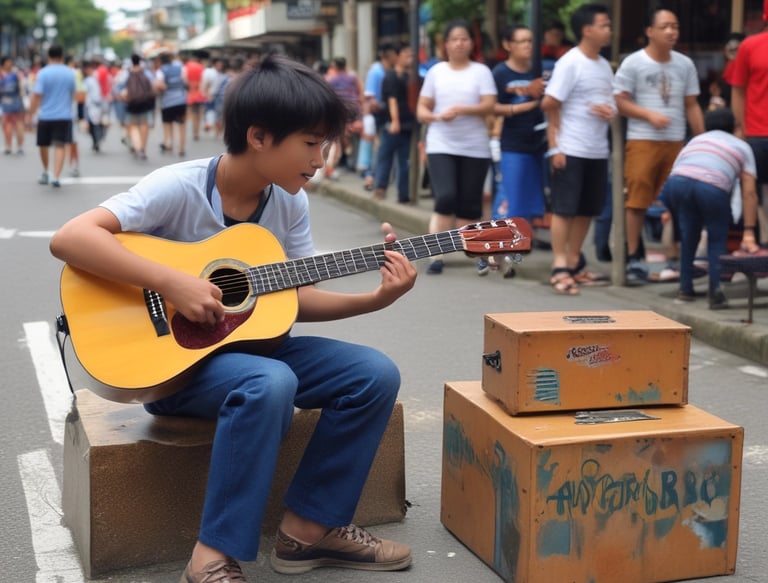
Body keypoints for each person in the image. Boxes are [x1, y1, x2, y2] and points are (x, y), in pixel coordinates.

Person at [48, 53, 415, 583]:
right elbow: (71, 238)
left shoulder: (288, 203)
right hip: (176, 366)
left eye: (326, 145)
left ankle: (308, 531)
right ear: (260, 136)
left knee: (373, 374)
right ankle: (211, 557)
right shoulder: (180, 186)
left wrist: (373, 300)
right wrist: (171, 281)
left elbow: (295, 296)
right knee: (272, 380)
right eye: (311, 144)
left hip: (253, 351)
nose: (321, 159)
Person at [613, 7, 704, 284]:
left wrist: (701, 141)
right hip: (642, 140)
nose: (671, 31)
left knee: (678, 202)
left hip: (676, 141)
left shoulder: (684, 64)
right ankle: (634, 257)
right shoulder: (633, 63)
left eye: (675, 26)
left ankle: (675, 256)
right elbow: (620, 100)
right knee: (637, 200)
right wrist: (648, 114)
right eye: (665, 26)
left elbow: (691, 104)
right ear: (649, 31)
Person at [541, 3, 615, 295]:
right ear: (587, 30)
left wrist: (608, 109)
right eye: (604, 25)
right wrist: (555, 147)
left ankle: (574, 261)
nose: (609, 29)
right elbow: (550, 103)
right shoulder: (570, 62)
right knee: (565, 208)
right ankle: (559, 265)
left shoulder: (603, 64)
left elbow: (610, 101)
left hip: (597, 149)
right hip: (570, 147)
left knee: (587, 209)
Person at [416, 18, 497, 275]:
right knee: (446, 196)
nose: (460, 43)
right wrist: (433, 116)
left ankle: (475, 252)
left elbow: (489, 105)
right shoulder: (436, 72)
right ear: (446, 44)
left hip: (475, 146)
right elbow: (422, 108)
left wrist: (462, 109)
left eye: (464, 38)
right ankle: (435, 253)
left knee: (470, 204)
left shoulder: (481, 72)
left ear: (471, 43)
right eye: (455, 39)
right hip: (441, 143)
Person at [659, 108, 759, 309]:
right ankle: (715, 293)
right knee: (716, 239)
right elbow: (749, 191)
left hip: (677, 184)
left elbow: (677, 170)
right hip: (711, 186)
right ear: (734, 127)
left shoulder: (695, 141)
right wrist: (749, 230)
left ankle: (685, 288)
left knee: (689, 236)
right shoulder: (742, 146)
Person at [489, 24, 546, 233]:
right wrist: (526, 105)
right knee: (508, 199)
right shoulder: (500, 73)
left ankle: (519, 246)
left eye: (531, 41)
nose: (528, 45)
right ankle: (493, 248)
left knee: (529, 200)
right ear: (508, 45)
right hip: (512, 144)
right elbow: (491, 107)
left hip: (539, 144)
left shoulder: (538, 70)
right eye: (522, 41)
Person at [731, 0, 768, 246]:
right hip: (756, 131)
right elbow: (738, 89)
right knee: (751, 188)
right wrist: (741, 125)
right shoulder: (750, 45)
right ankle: (750, 237)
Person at [28, 45, 76, 188]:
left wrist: (30, 113)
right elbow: (72, 94)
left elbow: (37, 96)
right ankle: (56, 176)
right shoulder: (70, 73)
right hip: (64, 115)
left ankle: (45, 171)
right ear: (62, 56)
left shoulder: (42, 73)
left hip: (45, 115)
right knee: (60, 145)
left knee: (43, 144)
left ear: (48, 57)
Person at [373, 45, 415, 203]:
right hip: (392, 125)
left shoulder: (412, 76)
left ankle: (403, 195)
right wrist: (395, 121)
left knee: (404, 161)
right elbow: (392, 100)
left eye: (411, 55)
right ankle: (380, 188)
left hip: (408, 125)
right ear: (397, 56)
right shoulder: (390, 77)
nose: (409, 58)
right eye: (406, 55)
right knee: (386, 157)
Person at [121, 53, 155, 161]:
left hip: (132, 104)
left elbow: (119, 87)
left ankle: (137, 146)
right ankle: (143, 149)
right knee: (144, 126)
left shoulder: (127, 72)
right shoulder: (146, 72)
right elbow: (153, 85)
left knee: (133, 127)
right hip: (145, 103)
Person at [155, 51, 188, 156]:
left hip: (167, 102)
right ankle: (181, 148)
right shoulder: (180, 68)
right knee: (181, 125)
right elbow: (185, 82)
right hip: (180, 100)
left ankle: (169, 144)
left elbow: (161, 86)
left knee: (167, 124)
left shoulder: (161, 71)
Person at [1, 56, 26, 155]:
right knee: (7, 125)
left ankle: (18, 146)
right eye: (8, 62)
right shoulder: (16, 74)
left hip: (15, 102)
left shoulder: (16, 74)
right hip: (6, 103)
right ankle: (9, 146)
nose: (10, 64)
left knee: (18, 124)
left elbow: (22, 89)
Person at [82, 60, 107, 153]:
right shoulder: (89, 80)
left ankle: (97, 141)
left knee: (95, 125)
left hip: (94, 105)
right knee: (93, 125)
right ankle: (96, 140)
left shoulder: (91, 80)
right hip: (91, 105)